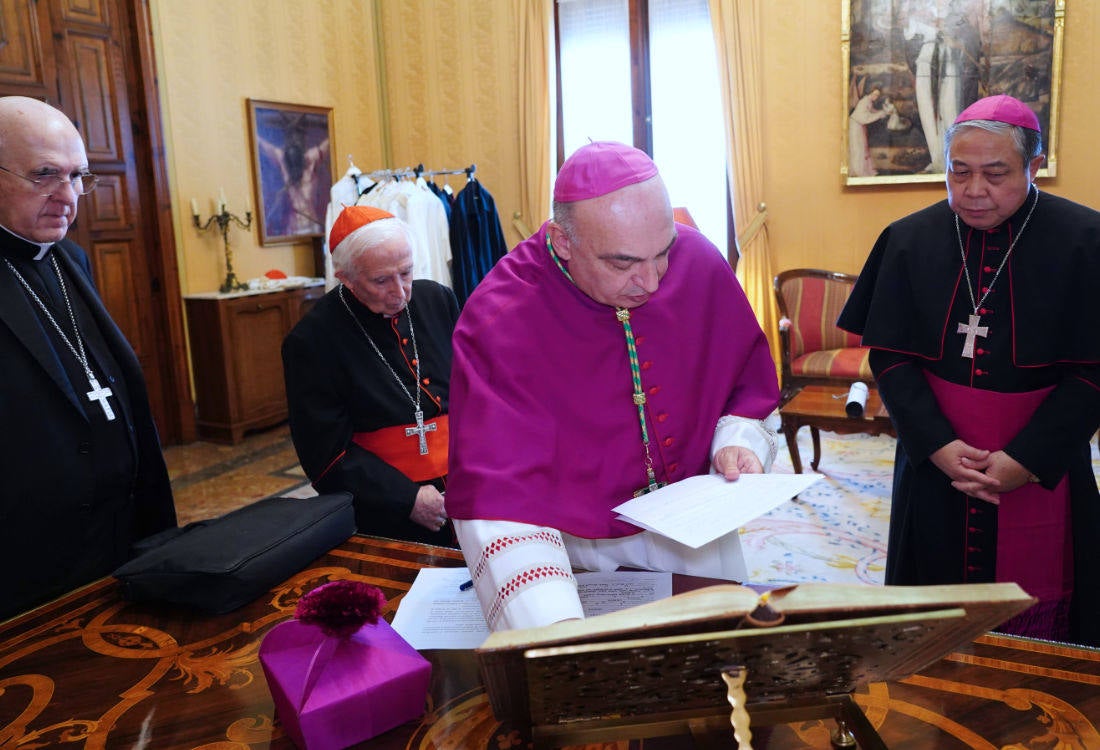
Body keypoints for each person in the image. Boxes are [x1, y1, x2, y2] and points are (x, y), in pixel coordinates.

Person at [445, 141, 780, 631]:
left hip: (696, 537)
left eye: (662, 253)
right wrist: (556, 628)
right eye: (623, 264)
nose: (651, 281)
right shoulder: (499, 319)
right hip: (574, 552)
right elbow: (498, 498)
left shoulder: (699, 262)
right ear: (562, 241)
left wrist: (737, 443)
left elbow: (746, 389)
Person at [838, 94, 1100, 646]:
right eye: (959, 172)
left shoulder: (1086, 240)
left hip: (1040, 462)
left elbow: (1094, 371)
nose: (974, 190)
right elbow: (891, 353)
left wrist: (1026, 459)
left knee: (1048, 622)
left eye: (996, 174)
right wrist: (935, 445)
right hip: (938, 460)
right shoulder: (908, 238)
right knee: (928, 610)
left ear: (1034, 167)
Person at [0, 96, 176, 620]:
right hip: (28, 558)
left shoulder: (69, 258)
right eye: (46, 175)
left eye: (78, 176)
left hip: (120, 535)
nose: (69, 196)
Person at [282, 206, 459, 546]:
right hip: (385, 509)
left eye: (406, 273)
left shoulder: (438, 299)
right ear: (345, 277)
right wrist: (406, 498)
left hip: (467, 486)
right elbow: (325, 454)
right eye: (381, 280)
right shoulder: (312, 340)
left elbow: (476, 393)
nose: (400, 292)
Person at [848, 86, 889, 177]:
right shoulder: (864, 102)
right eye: (874, 94)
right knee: (858, 149)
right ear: (869, 92)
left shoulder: (869, 101)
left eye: (877, 95)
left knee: (863, 147)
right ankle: (858, 171)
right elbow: (864, 119)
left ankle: (864, 169)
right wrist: (879, 114)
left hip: (859, 126)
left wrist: (882, 112)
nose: (876, 96)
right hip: (855, 126)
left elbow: (871, 111)